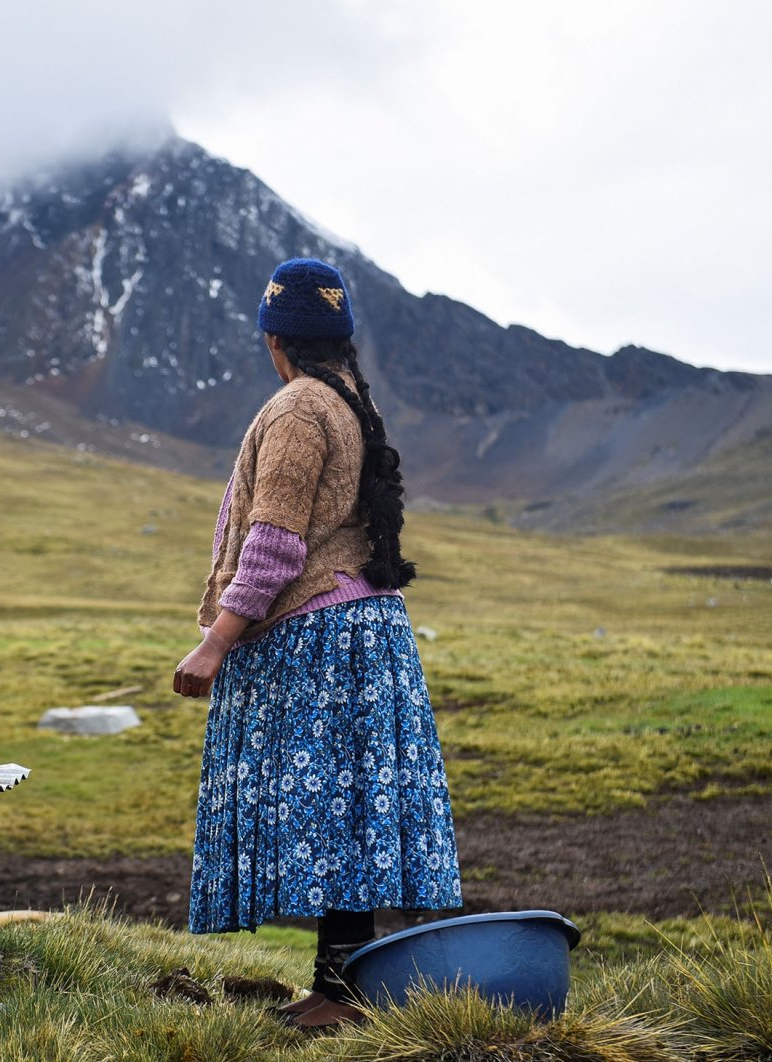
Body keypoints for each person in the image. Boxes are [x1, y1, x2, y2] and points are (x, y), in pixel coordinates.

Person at [175, 257, 462, 1029]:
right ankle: (342, 991)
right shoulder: (349, 399)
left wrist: (215, 644)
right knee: (349, 812)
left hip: (319, 639)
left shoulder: (300, 410)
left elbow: (273, 546)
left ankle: (339, 997)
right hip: (362, 633)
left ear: (276, 340)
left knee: (330, 811)